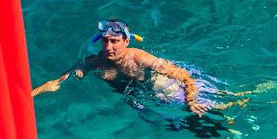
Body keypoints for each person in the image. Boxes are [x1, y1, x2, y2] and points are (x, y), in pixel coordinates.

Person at [34, 20, 209, 114]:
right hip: (139, 98)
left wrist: (192, 100)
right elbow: (56, 83)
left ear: (126, 41)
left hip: (168, 89)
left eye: (114, 42)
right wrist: (30, 95)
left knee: (209, 113)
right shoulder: (93, 62)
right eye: (105, 41)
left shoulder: (140, 58)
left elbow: (184, 75)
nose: (108, 47)